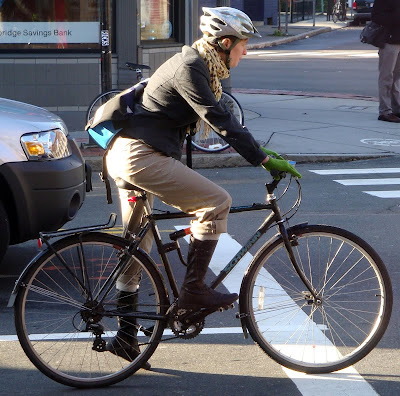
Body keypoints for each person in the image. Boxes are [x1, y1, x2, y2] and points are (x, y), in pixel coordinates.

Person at [105, 6, 302, 364]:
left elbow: (222, 117)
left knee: (138, 246)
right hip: (139, 156)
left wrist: (259, 149)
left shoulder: (199, 64)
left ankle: (125, 336)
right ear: (225, 43)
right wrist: (260, 159)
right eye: (243, 45)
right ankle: (194, 291)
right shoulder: (191, 67)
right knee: (216, 202)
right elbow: (218, 117)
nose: (246, 52)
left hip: (129, 153)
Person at [371, 0, 400, 123]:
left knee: (397, 78)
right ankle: (385, 111)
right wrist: (396, 17)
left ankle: (396, 108)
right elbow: (376, 16)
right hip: (389, 40)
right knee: (386, 76)